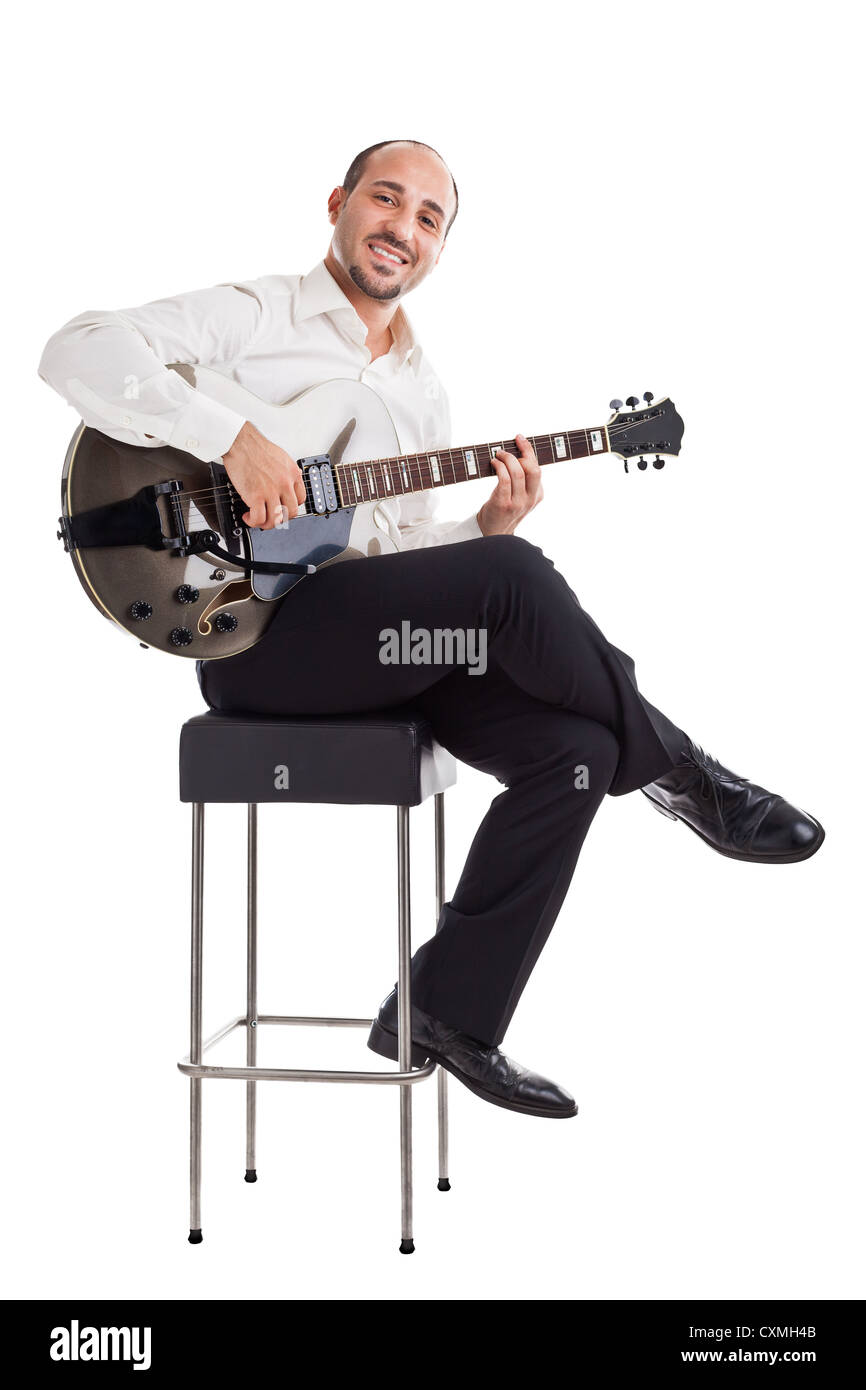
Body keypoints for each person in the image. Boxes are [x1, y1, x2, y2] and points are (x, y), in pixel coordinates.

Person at [38, 139, 825, 1121]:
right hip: (259, 646)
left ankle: (446, 1011)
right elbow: (75, 346)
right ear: (337, 202)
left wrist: (482, 529)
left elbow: (397, 559)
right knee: (508, 582)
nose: (400, 228)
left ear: (438, 249)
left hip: (376, 645)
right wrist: (229, 439)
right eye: (384, 199)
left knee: (571, 747)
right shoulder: (257, 315)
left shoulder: (419, 392)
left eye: (426, 218)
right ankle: (682, 773)